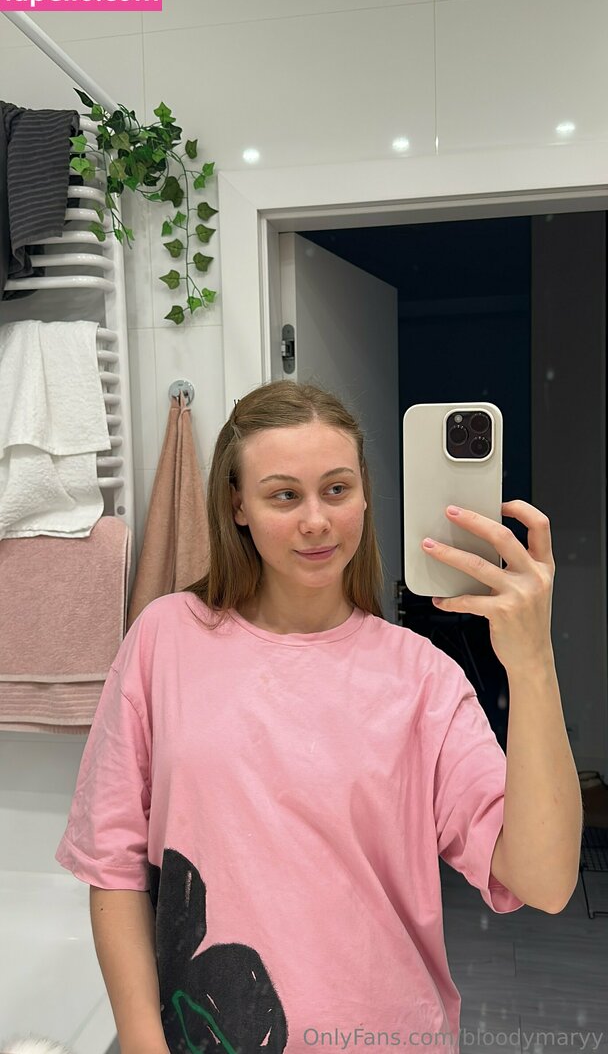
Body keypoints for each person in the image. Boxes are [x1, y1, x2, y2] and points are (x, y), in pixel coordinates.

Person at [55, 379, 524, 1054]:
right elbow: (114, 863)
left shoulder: (422, 678)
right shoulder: (165, 638)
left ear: (364, 493)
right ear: (237, 504)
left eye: (337, 489)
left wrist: (534, 663)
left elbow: (536, 877)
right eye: (284, 495)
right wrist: (141, 1039)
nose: (316, 520)